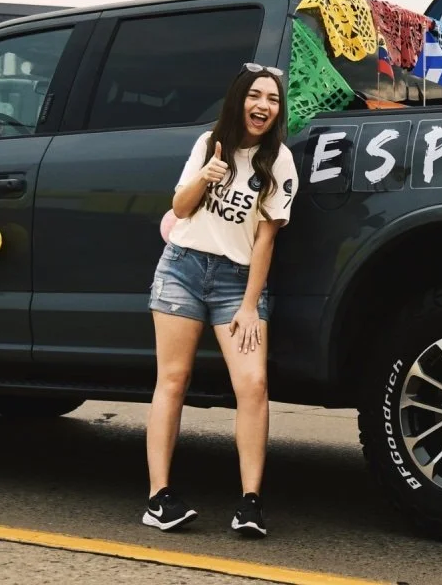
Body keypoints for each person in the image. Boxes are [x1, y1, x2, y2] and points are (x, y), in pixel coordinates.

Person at [143, 63, 299, 538]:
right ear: (239, 100)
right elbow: (180, 209)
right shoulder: (209, 144)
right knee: (172, 379)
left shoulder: (281, 161)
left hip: (237, 282)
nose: (263, 106)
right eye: (256, 96)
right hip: (182, 267)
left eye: (272, 99)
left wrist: (251, 305)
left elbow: (266, 240)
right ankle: (159, 498)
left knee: (253, 385)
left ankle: (250, 502)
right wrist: (207, 175)